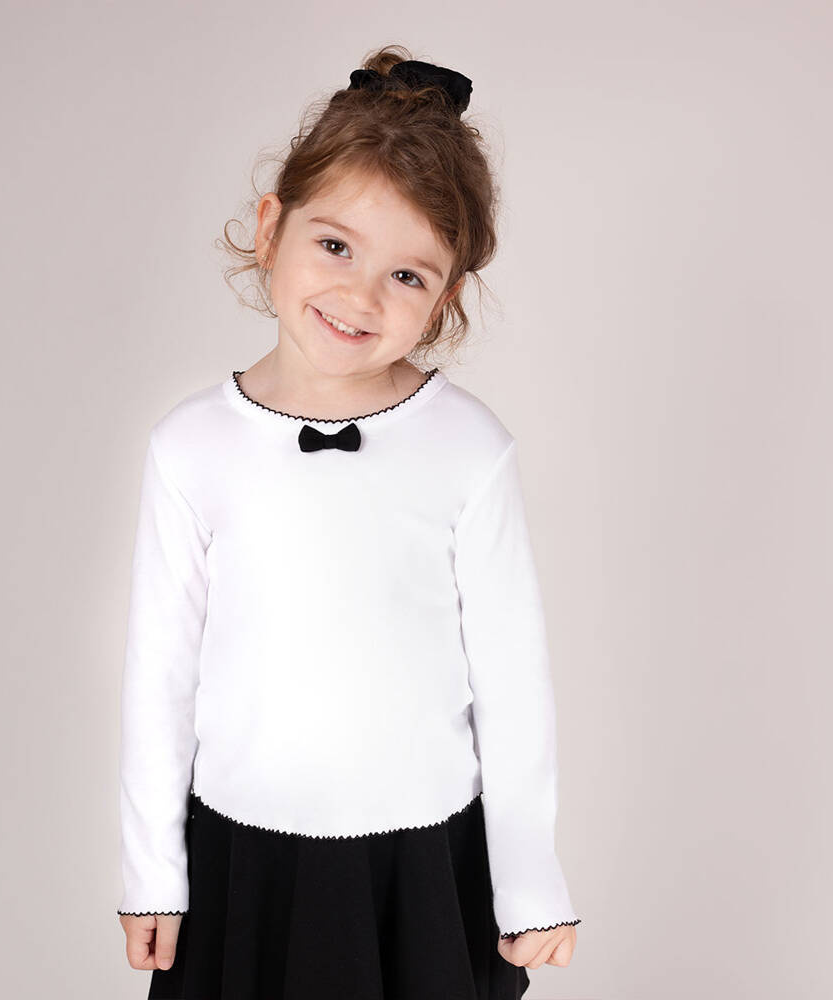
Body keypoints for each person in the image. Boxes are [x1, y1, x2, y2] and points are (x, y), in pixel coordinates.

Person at [116, 44, 582, 1000]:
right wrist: (151, 872)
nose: (362, 296)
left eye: (408, 275)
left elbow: (513, 678)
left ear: (444, 299)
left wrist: (530, 879)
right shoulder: (190, 447)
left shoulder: (468, 447)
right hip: (243, 861)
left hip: (425, 866)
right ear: (270, 229)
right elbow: (159, 675)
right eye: (336, 247)